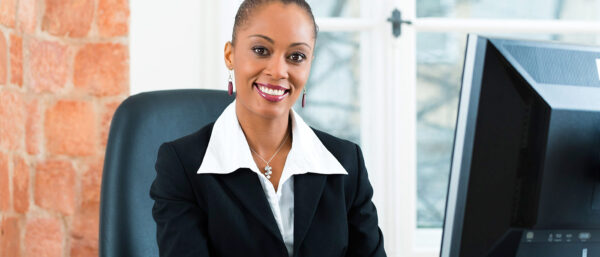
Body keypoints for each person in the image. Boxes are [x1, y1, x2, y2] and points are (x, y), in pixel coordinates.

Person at [149, 0, 386, 256]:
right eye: (261, 50)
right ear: (230, 55)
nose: (278, 71)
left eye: (296, 57)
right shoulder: (182, 165)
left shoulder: (347, 163)